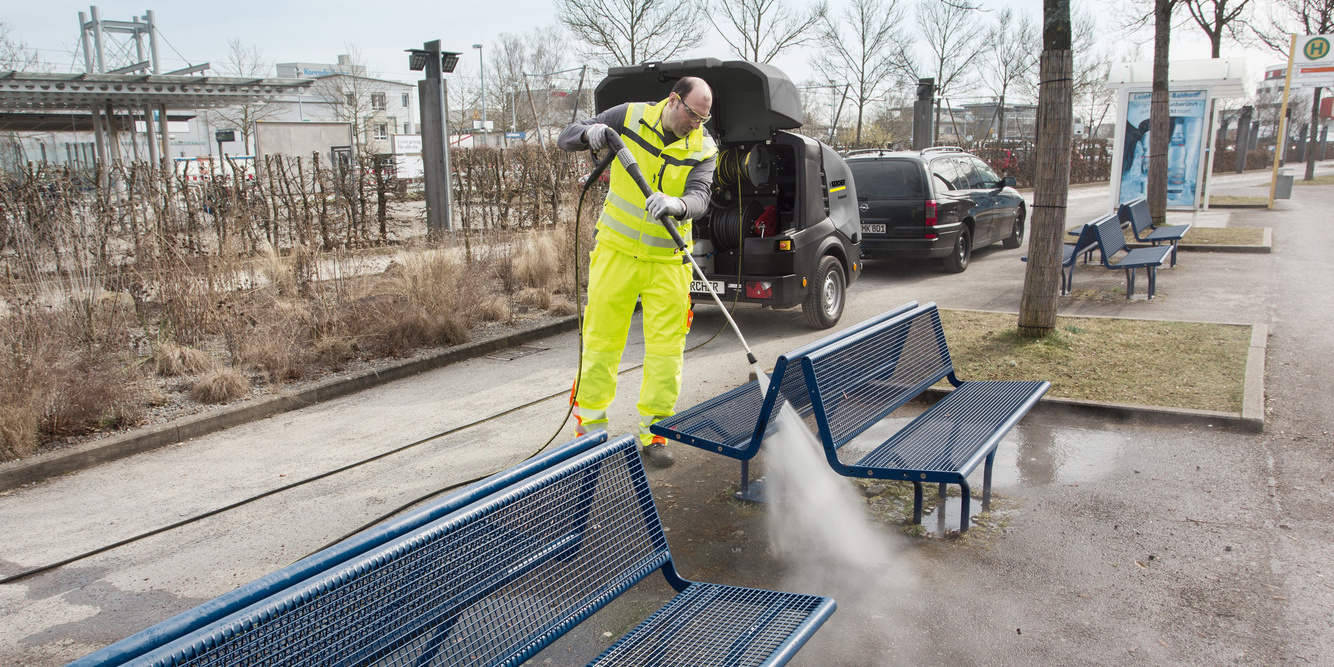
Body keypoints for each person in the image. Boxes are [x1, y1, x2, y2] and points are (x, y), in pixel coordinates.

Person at [556, 76, 718, 468]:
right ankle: (590, 433)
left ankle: (656, 433)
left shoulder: (704, 146)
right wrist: (590, 133)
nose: (696, 124)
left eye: (703, 119)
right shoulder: (628, 117)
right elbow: (566, 136)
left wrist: (677, 204)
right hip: (616, 253)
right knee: (600, 342)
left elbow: (700, 196)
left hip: (668, 262)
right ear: (674, 100)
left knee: (666, 353)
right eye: (693, 115)